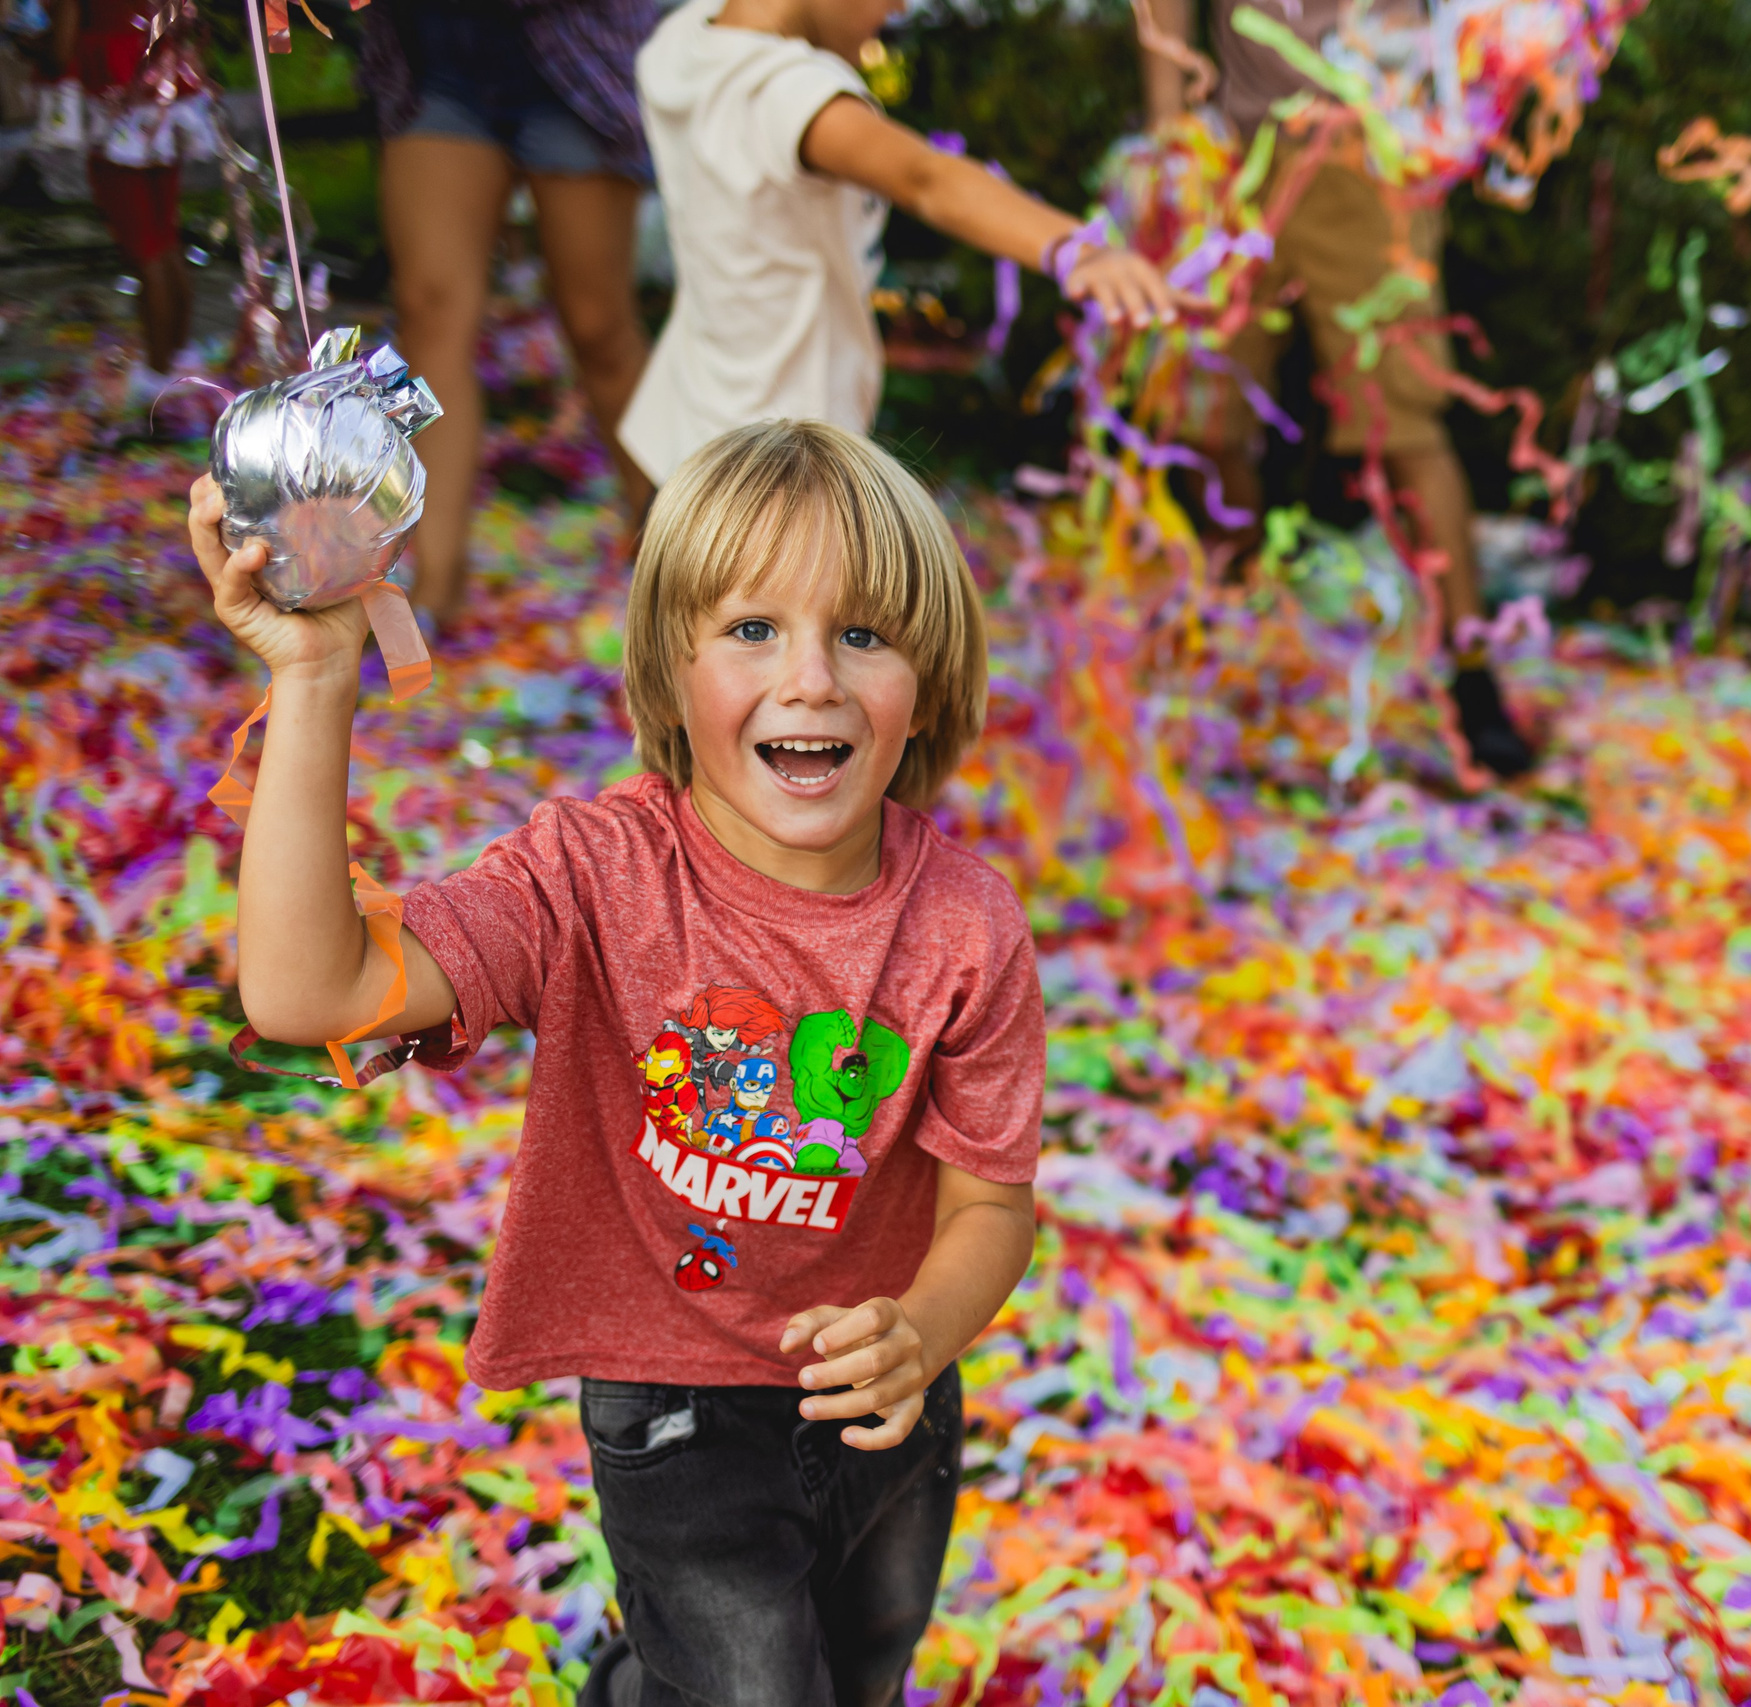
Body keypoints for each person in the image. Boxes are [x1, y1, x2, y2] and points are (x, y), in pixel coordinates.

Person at [187, 419, 1045, 1707]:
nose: (809, 677)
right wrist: (315, 679)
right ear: (667, 668)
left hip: (885, 1404)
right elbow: (313, 992)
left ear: (927, 680)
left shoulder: (968, 928)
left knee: (859, 1674)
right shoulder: (588, 878)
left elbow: (990, 1202)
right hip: (676, 1411)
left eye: (862, 634)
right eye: (751, 629)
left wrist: (920, 1333)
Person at [1135, 0, 1537, 781]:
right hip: (1234, 159)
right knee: (1202, 422)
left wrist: (1439, 113)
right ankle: (1247, 638)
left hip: (1369, 150)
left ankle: (1473, 680)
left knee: (1405, 429)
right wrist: (1170, 128)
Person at [621, 0, 1192, 489]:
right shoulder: (784, 95)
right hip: (771, 468)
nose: (897, 8)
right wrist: (1076, 250)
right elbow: (925, 178)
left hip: (680, 431)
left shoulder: (682, 43)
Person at [358, 0, 660, 625]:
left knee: (598, 325)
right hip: (437, 53)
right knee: (427, 311)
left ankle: (670, 545)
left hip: (577, 52)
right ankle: (436, 584)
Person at [49, 0, 219, 404]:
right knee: (164, 237)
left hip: (118, 102)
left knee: (145, 249)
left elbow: (60, 51)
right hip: (164, 94)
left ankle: (158, 377)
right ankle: (178, 356)